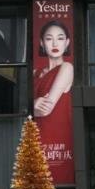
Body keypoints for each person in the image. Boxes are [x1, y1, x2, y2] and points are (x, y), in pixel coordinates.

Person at [33, 21, 74, 167]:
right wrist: (34, 104)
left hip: (58, 142)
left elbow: (45, 109)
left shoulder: (67, 68)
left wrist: (32, 105)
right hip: (35, 139)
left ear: (67, 42)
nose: (55, 43)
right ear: (42, 43)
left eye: (60, 38)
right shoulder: (35, 73)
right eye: (49, 38)